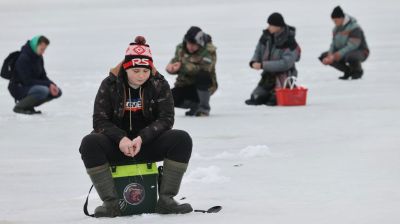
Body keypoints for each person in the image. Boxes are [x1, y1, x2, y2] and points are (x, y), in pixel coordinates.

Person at [79, 36, 193, 217]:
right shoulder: (109, 84)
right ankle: (111, 204)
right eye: (136, 70)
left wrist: (142, 138)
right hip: (117, 147)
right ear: (126, 68)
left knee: (181, 139)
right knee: (89, 143)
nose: (141, 76)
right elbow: (99, 120)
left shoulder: (159, 84)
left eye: (145, 71)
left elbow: (166, 119)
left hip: (146, 145)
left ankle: (166, 200)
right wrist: (121, 139)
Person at [246, 13, 301, 106]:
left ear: (278, 26)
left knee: (274, 101)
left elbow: (285, 64)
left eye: (271, 25)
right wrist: (253, 61)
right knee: (255, 98)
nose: (268, 27)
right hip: (268, 76)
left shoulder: (290, 41)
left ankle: (282, 90)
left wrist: (263, 65)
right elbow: (258, 51)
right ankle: (269, 92)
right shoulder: (266, 36)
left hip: (285, 76)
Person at [166, 26, 218, 117]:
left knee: (203, 76)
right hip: (185, 84)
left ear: (200, 43)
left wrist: (182, 67)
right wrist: (171, 68)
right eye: (189, 43)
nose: (190, 46)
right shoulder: (180, 48)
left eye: (194, 44)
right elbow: (175, 61)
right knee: (168, 98)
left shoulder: (209, 50)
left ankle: (204, 109)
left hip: (205, 86)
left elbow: (205, 69)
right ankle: (195, 106)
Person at [8, 35, 62, 114]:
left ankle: (28, 106)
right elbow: (27, 81)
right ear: (35, 45)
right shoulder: (23, 58)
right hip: (19, 88)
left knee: (57, 92)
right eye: (42, 49)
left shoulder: (38, 57)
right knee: (44, 91)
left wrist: (52, 84)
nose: (43, 52)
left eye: (44, 49)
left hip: (31, 87)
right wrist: (48, 85)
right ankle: (19, 107)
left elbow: (43, 76)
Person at [319, 6, 369, 80]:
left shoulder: (354, 27)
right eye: (333, 20)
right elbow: (333, 44)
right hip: (343, 52)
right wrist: (330, 55)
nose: (334, 22)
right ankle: (348, 71)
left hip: (360, 51)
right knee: (324, 56)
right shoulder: (335, 29)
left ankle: (357, 72)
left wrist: (336, 55)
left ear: (342, 18)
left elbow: (352, 45)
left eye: (336, 20)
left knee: (350, 56)